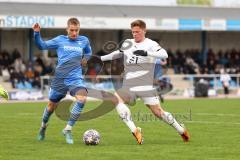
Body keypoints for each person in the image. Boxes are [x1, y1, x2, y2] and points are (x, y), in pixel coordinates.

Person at [100, 19, 190, 144]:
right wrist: (101, 58)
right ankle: (135, 130)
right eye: (133, 32)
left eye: (137, 32)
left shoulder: (151, 44)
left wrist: (147, 53)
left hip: (145, 85)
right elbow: (118, 53)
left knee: (158, 112)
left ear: (144, 30)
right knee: (116, 100)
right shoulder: (128, 42)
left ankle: (181, 130)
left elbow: (165, 55)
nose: (135, 34)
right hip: (129, 84)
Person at [33, 17, 92, 144]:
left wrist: (85, 58)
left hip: (75, 79)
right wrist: (37, 33)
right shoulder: (60, 40)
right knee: (50, 107)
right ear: (67, 29)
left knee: (82, 99)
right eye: (72, 30)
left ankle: (68, 129)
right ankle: (43, 127)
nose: (74, 33)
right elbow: (41, 45)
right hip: (60, 79)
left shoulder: (84, 40)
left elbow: (88, 51)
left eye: (77, 30)